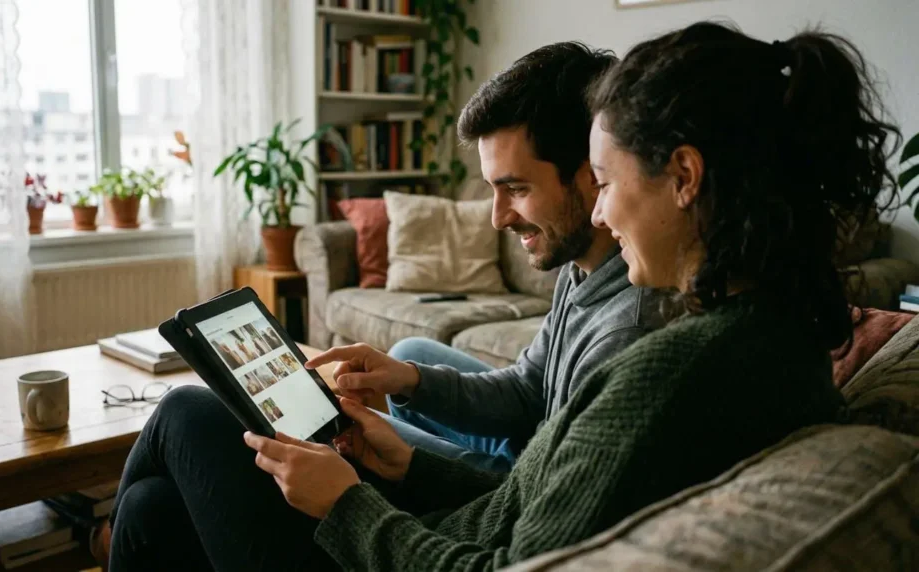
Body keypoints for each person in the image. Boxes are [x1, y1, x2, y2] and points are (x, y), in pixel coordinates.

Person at [100, 22, 900, 571]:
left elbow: (503, 556)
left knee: (184, 415)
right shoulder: (766, 331)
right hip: (430, 527)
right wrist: (405, 462)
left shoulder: (673, 366)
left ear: (684, 178)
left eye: (611, 181)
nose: (601, 210)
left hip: (401, 552)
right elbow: (534, 506)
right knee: (151, 517)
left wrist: (347, 505)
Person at [327, 41, 667, 473]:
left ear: (592, 175)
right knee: (411, 356)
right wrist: (409, 378)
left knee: (341, 438)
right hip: (537, 447)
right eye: (493, 188)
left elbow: (535, 512)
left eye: (517, 189)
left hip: (527, 490)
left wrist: (409, 467)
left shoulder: (626, 333)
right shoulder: (584, 261)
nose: (497, 218)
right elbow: (530, 389)